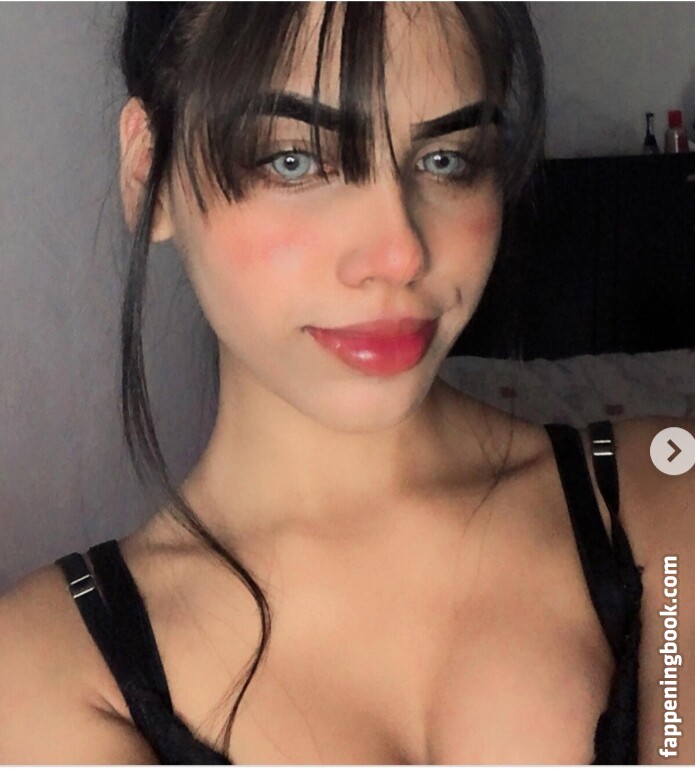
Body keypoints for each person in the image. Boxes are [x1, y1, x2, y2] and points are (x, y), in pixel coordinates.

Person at [1, 1, 694, 764]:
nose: (399, 252)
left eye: (446, 159)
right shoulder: (48, 670)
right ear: (150, 172)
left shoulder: (666, 497)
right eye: (293, 160)